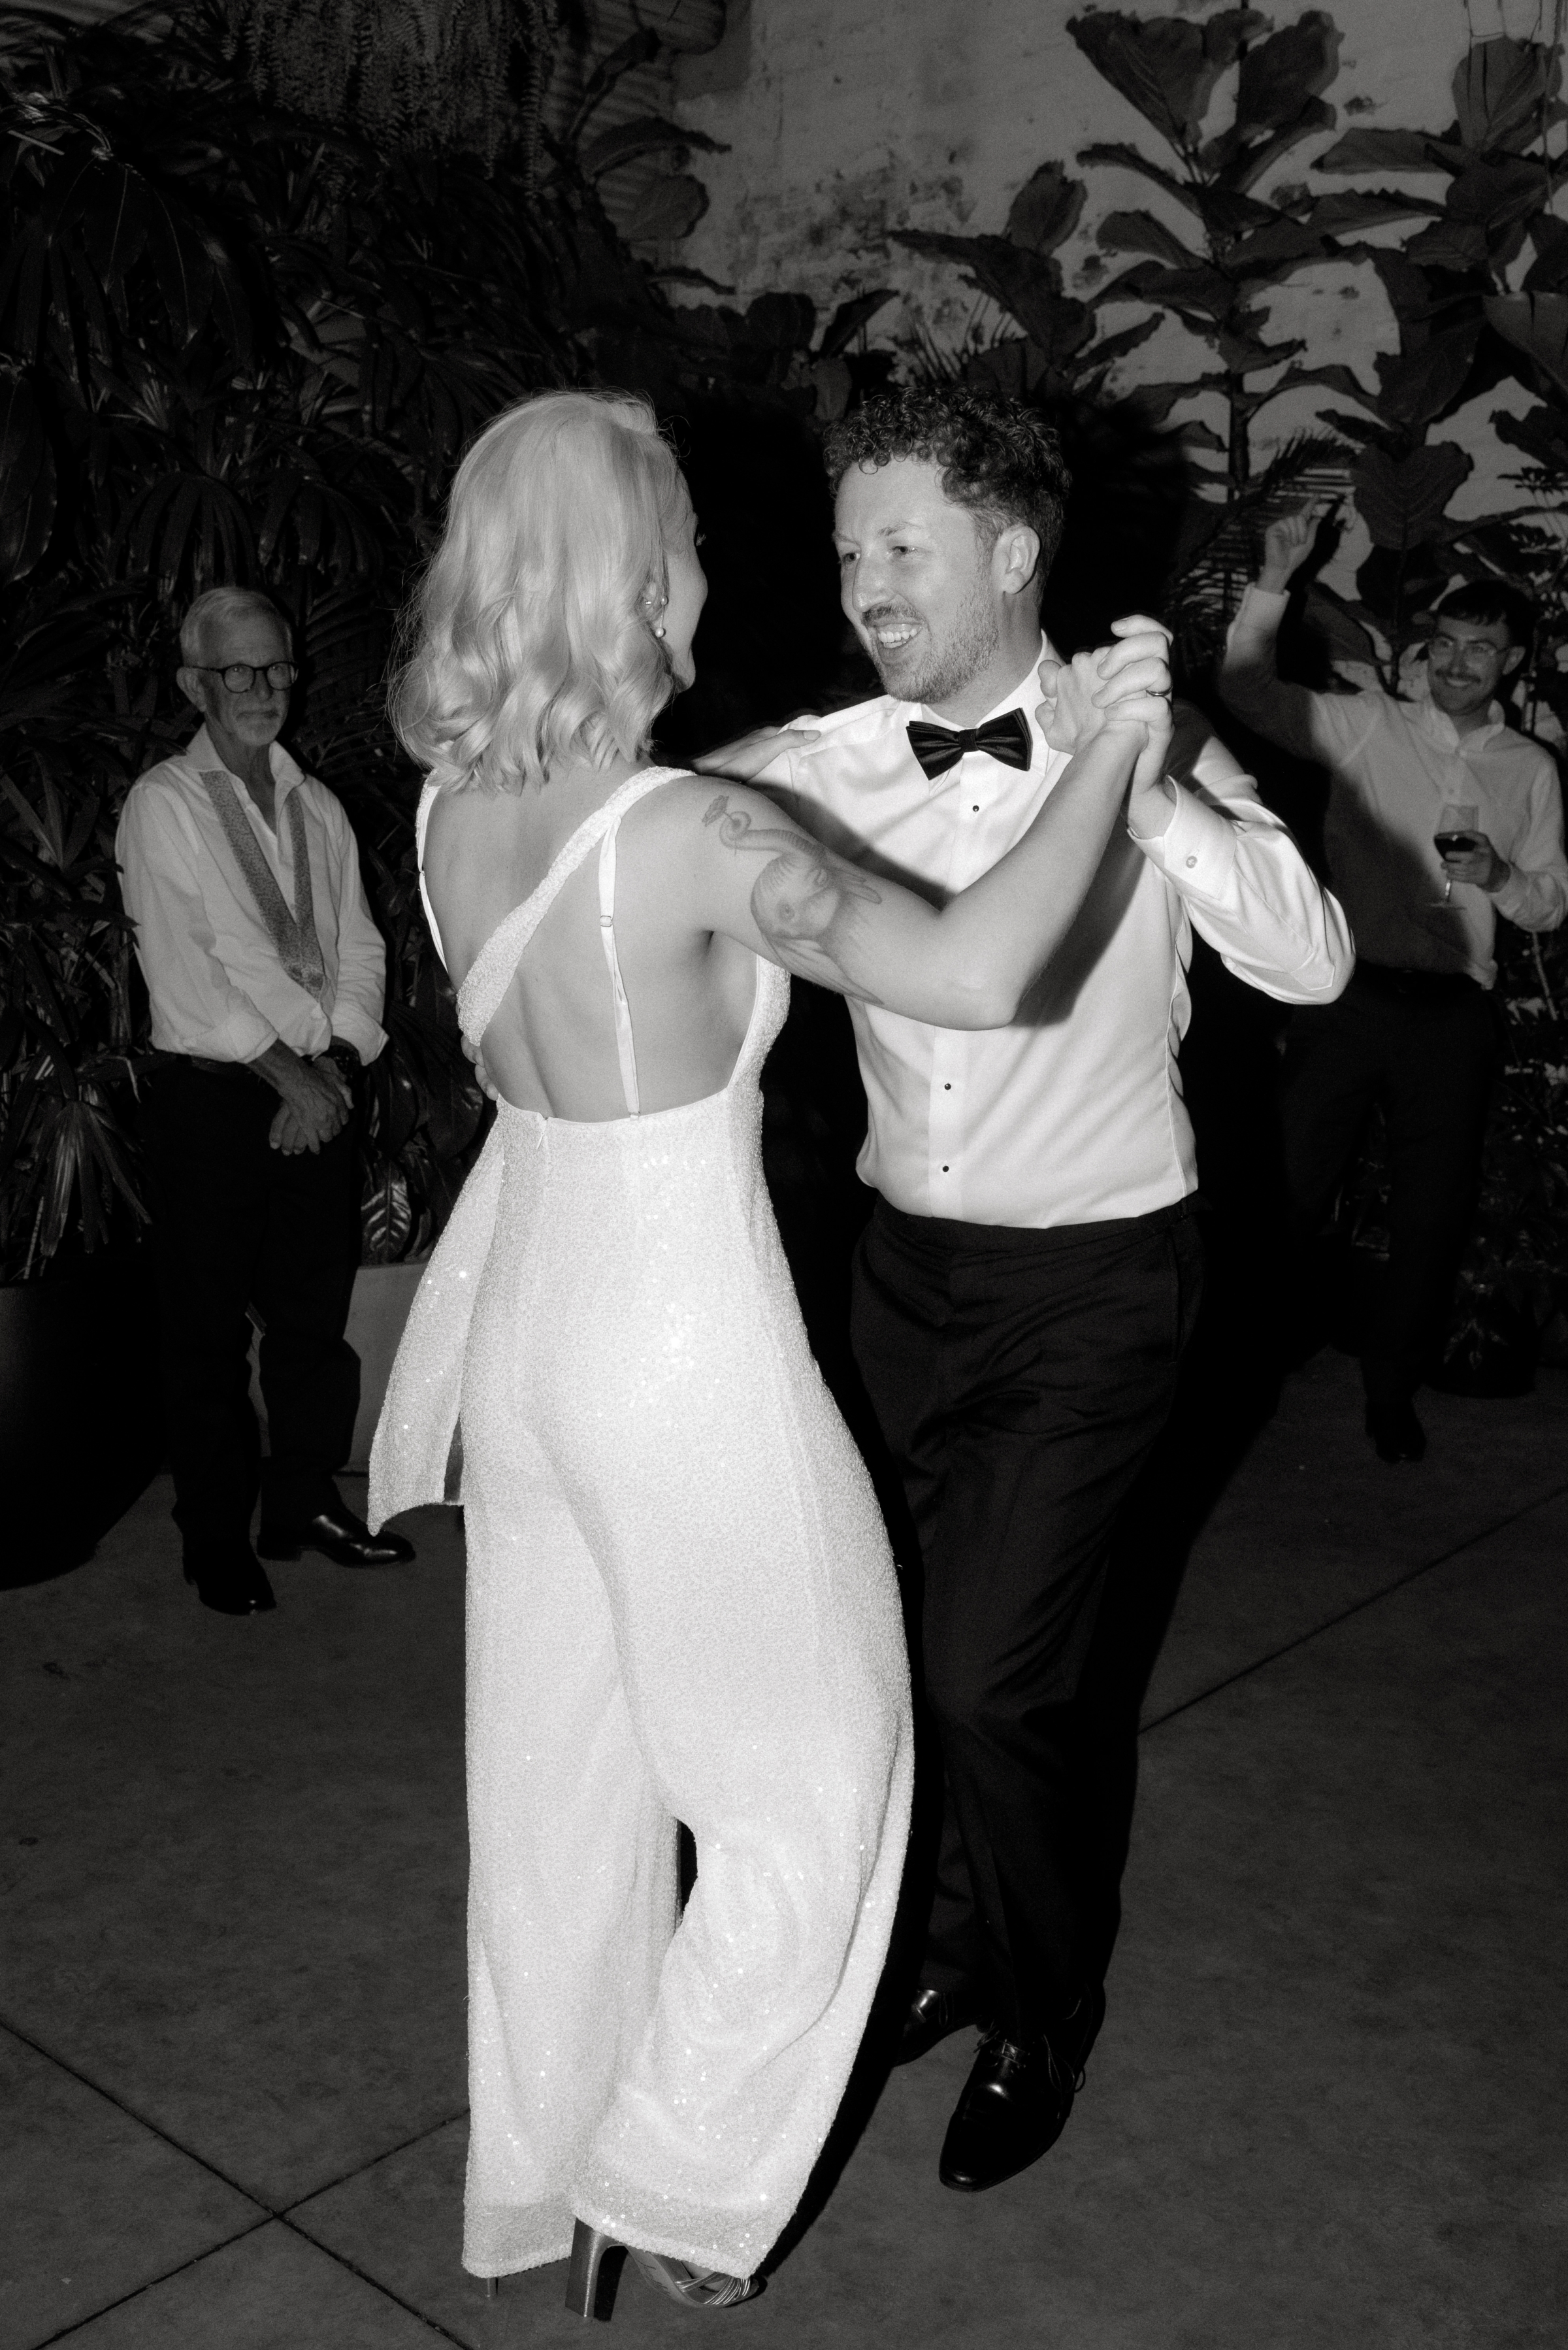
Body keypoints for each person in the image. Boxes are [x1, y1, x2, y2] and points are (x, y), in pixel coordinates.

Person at [367, 389, 1175, 2311]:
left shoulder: (449, 811)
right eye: (695, 541)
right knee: (829, 1783)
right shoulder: (697, 832)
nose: (721, 571)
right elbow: (985, 966)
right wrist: (1113, 745)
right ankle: (673, 2168)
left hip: (528, 1349)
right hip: (675, 1352)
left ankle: (550, 2173)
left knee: (567, 1787)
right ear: (635, 576)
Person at [703, 386, 1354, 2197]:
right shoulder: (810, 767)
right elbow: (632, 850)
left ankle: (1042, 2005)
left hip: (1098, 1287)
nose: (865, 587)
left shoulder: (1143, 737)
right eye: (848, 553)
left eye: (902, 547)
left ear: (1013, 552)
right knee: (908, 1660)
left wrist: (1154, 791)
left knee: (997, 1680)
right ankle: (965, 1930)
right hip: (898, 1278)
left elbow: (1307, 961)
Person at [1220, 510, 1568, 1461]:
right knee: (1288, 1192)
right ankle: (1238, 1371)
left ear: (1510, 664)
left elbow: (1548, 904)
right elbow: (1247, 692)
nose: (1459, 664)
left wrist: (1501, 878)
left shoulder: (1528, 770)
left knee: (1431, 1210)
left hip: (1454, 1015)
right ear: (1426, 653)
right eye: (1447, 645)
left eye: (1481, 651)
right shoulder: (1369, 726)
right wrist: (1276, 580)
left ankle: (1389, 1391)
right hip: (1351, 996)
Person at [117, 587, 415, 1617]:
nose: (263, 690)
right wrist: (290, 1075)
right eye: (236, 672)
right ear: (194, 685)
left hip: (315, 1087)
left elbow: (359, 943)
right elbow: (185, 973)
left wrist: (331, 1061)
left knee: (311, 1321)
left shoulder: (313, 804)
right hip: (214, 1099)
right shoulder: (164, 803)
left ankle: (301, 1506)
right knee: (201, 1331)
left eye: (277, 669)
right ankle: (213, 1537)